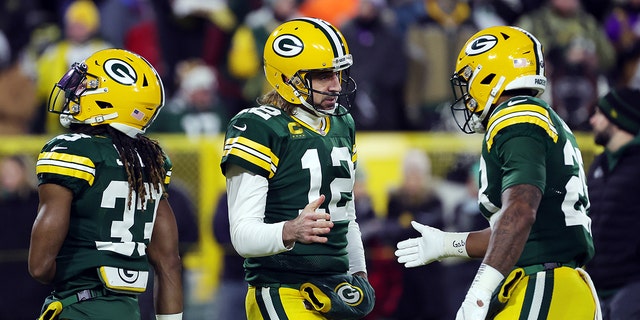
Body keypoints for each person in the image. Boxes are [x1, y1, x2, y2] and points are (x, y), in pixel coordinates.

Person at [395, 25, 600, 320]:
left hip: (542, 284)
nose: (465, 94)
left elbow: (521, 210)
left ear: (489, 75)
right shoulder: (536, 117)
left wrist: (478, 292)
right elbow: (516, 229)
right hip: (551, 284)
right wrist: (447, 244)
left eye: (468, 80)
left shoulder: (515, 116)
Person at [219, 17, 375, 320]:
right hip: (283, 288)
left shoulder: (342, 122)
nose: (335, 85)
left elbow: (347, 216)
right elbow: (241, 236)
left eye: (339, 73)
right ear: (288, 77)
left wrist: (359, 273)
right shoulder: (258, 127)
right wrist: (291, 229)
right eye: (323, 75)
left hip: (335, 287)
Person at [28, 48, 183, 320]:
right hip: (127, 309)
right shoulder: (152, 161)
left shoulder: (71, 150)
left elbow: (40, 267)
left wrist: (75, 275)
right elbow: (168, 263)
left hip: (79, 306)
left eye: (86, 85)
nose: (74, 91)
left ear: (109, 99)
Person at [586, 88, 640, 320]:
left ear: (618, 118)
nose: (592, 120)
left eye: (600, 114)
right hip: (596, 288)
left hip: (631, 289)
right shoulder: (599, 163)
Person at [0, 155, 53, 320]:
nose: (5, 176)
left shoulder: (38, 203)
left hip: (32, 280)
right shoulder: (3, 205)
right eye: (3, 172)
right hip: (5, 281)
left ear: (24, 172)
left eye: (11, 171)